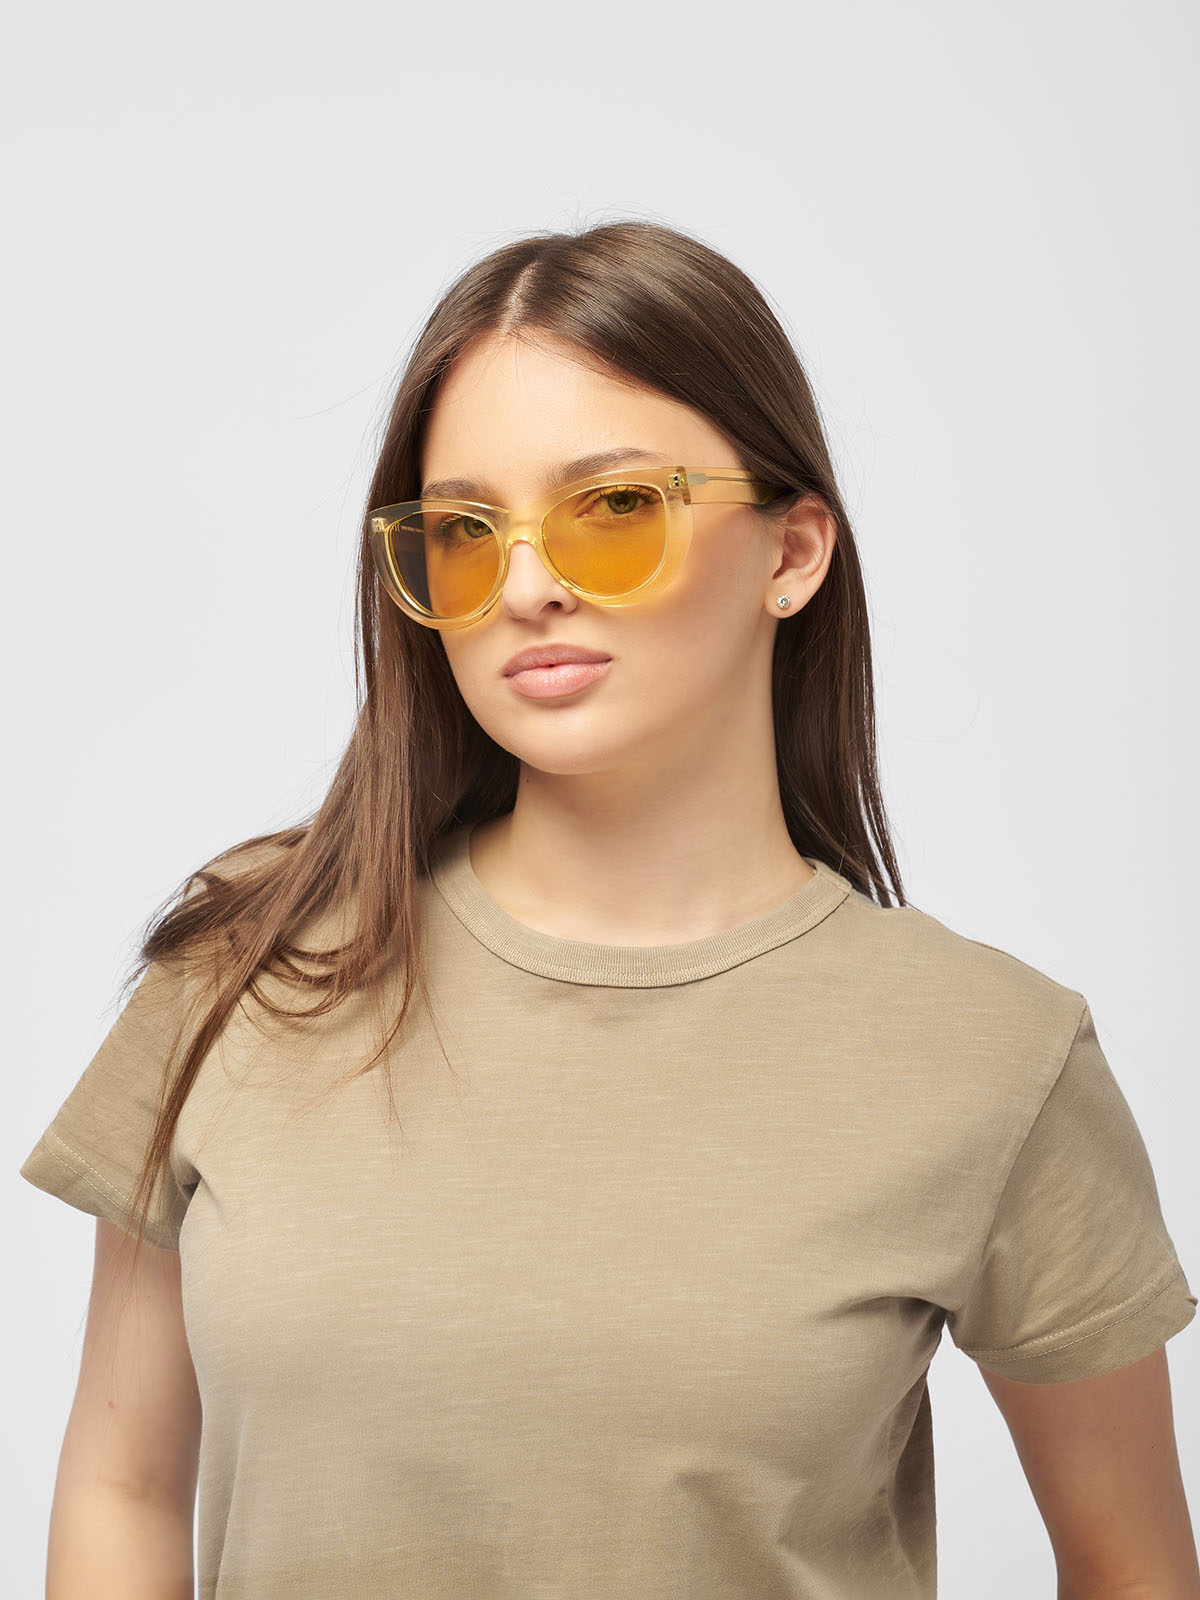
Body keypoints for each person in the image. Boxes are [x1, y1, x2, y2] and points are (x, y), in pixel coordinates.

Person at [21, 219, 1199, 1599]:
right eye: (464, 533)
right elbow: (122, 1485)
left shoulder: (992, 1056)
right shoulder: (251, 963)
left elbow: (1134, 1569)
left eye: (618, 508)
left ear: (792, 551)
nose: (528, 586)